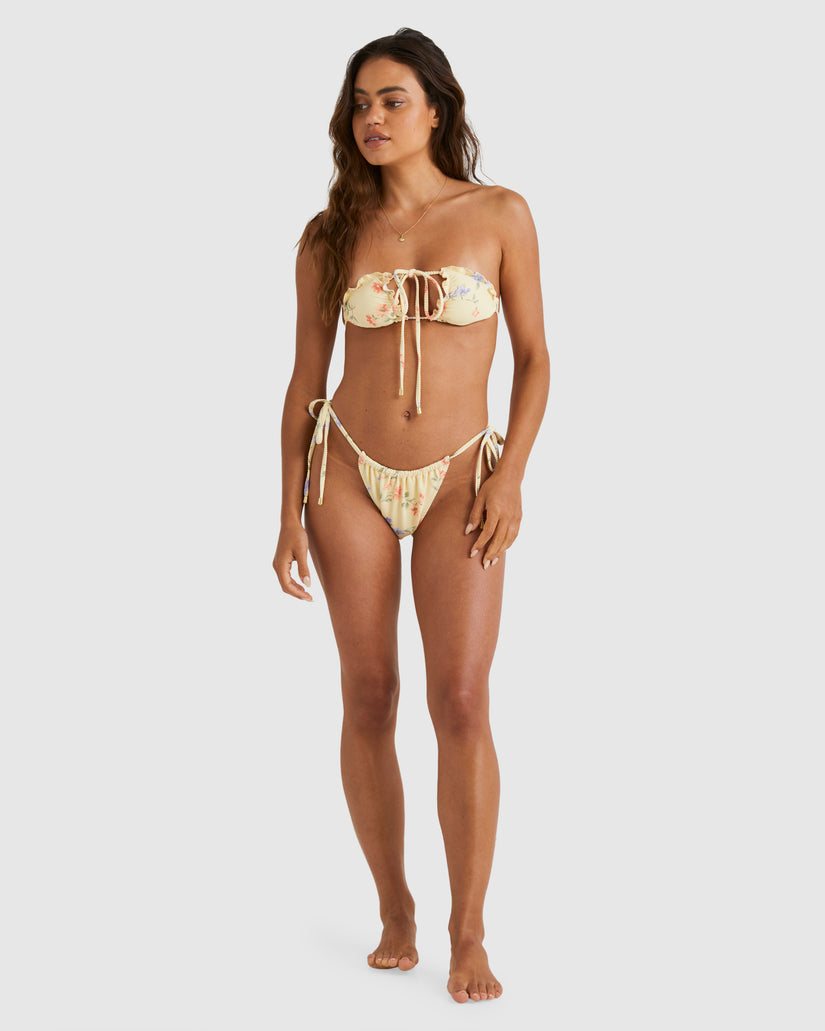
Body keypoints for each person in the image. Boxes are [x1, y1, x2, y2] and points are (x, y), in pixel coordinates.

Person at [273, 27, 550, 1004]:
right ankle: (395, 907)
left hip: (461, 477)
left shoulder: (499, 213)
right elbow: (305, 382)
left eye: (392, 99)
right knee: (369, 693)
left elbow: (536, 357)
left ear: (438, 108)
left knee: (461, 698)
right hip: (346, 471)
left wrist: (510, 477)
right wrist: (286, 510)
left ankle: (468, 930)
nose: (373, 118)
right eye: (360, 103)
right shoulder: (330, 234)